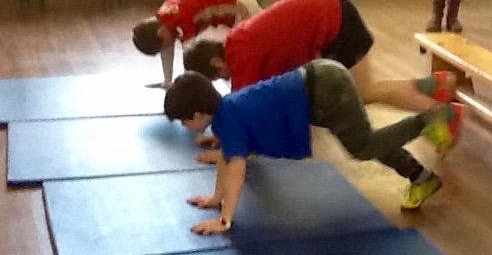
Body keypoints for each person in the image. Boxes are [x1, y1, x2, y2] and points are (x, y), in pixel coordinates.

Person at [183, 0, 465, 160]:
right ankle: (432, 85)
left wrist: (228, 144)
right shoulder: (238, 43)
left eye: (219, 76)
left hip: (335, 22)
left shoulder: (241, 56)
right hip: (332, 11)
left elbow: (242, 113)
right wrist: (225, 136)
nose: (226, 80)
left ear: (216, 62)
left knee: (362, 93)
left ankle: (444, 114)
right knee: (364, 89)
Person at [165, 62, 458, 221]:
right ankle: (422, 177)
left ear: (197, 114)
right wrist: (215, 199)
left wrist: (225, 219)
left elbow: (236, 170)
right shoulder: (225, 113)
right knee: (363, 140)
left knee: (363, 147)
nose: (185, 127)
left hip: (324, 90)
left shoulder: (227, 120)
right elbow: (226, 159)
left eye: (183, 121)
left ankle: (432, 119)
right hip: (320, 84)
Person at [132, 0, 261, 88]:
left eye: (164, 44)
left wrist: (190, 87)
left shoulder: (182, 20)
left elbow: (192, 61)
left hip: (238, 4)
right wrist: (167, 81)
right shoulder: (164, 15)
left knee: (252, 46)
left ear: (160, 32)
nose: (169, 45)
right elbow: (166, 48)